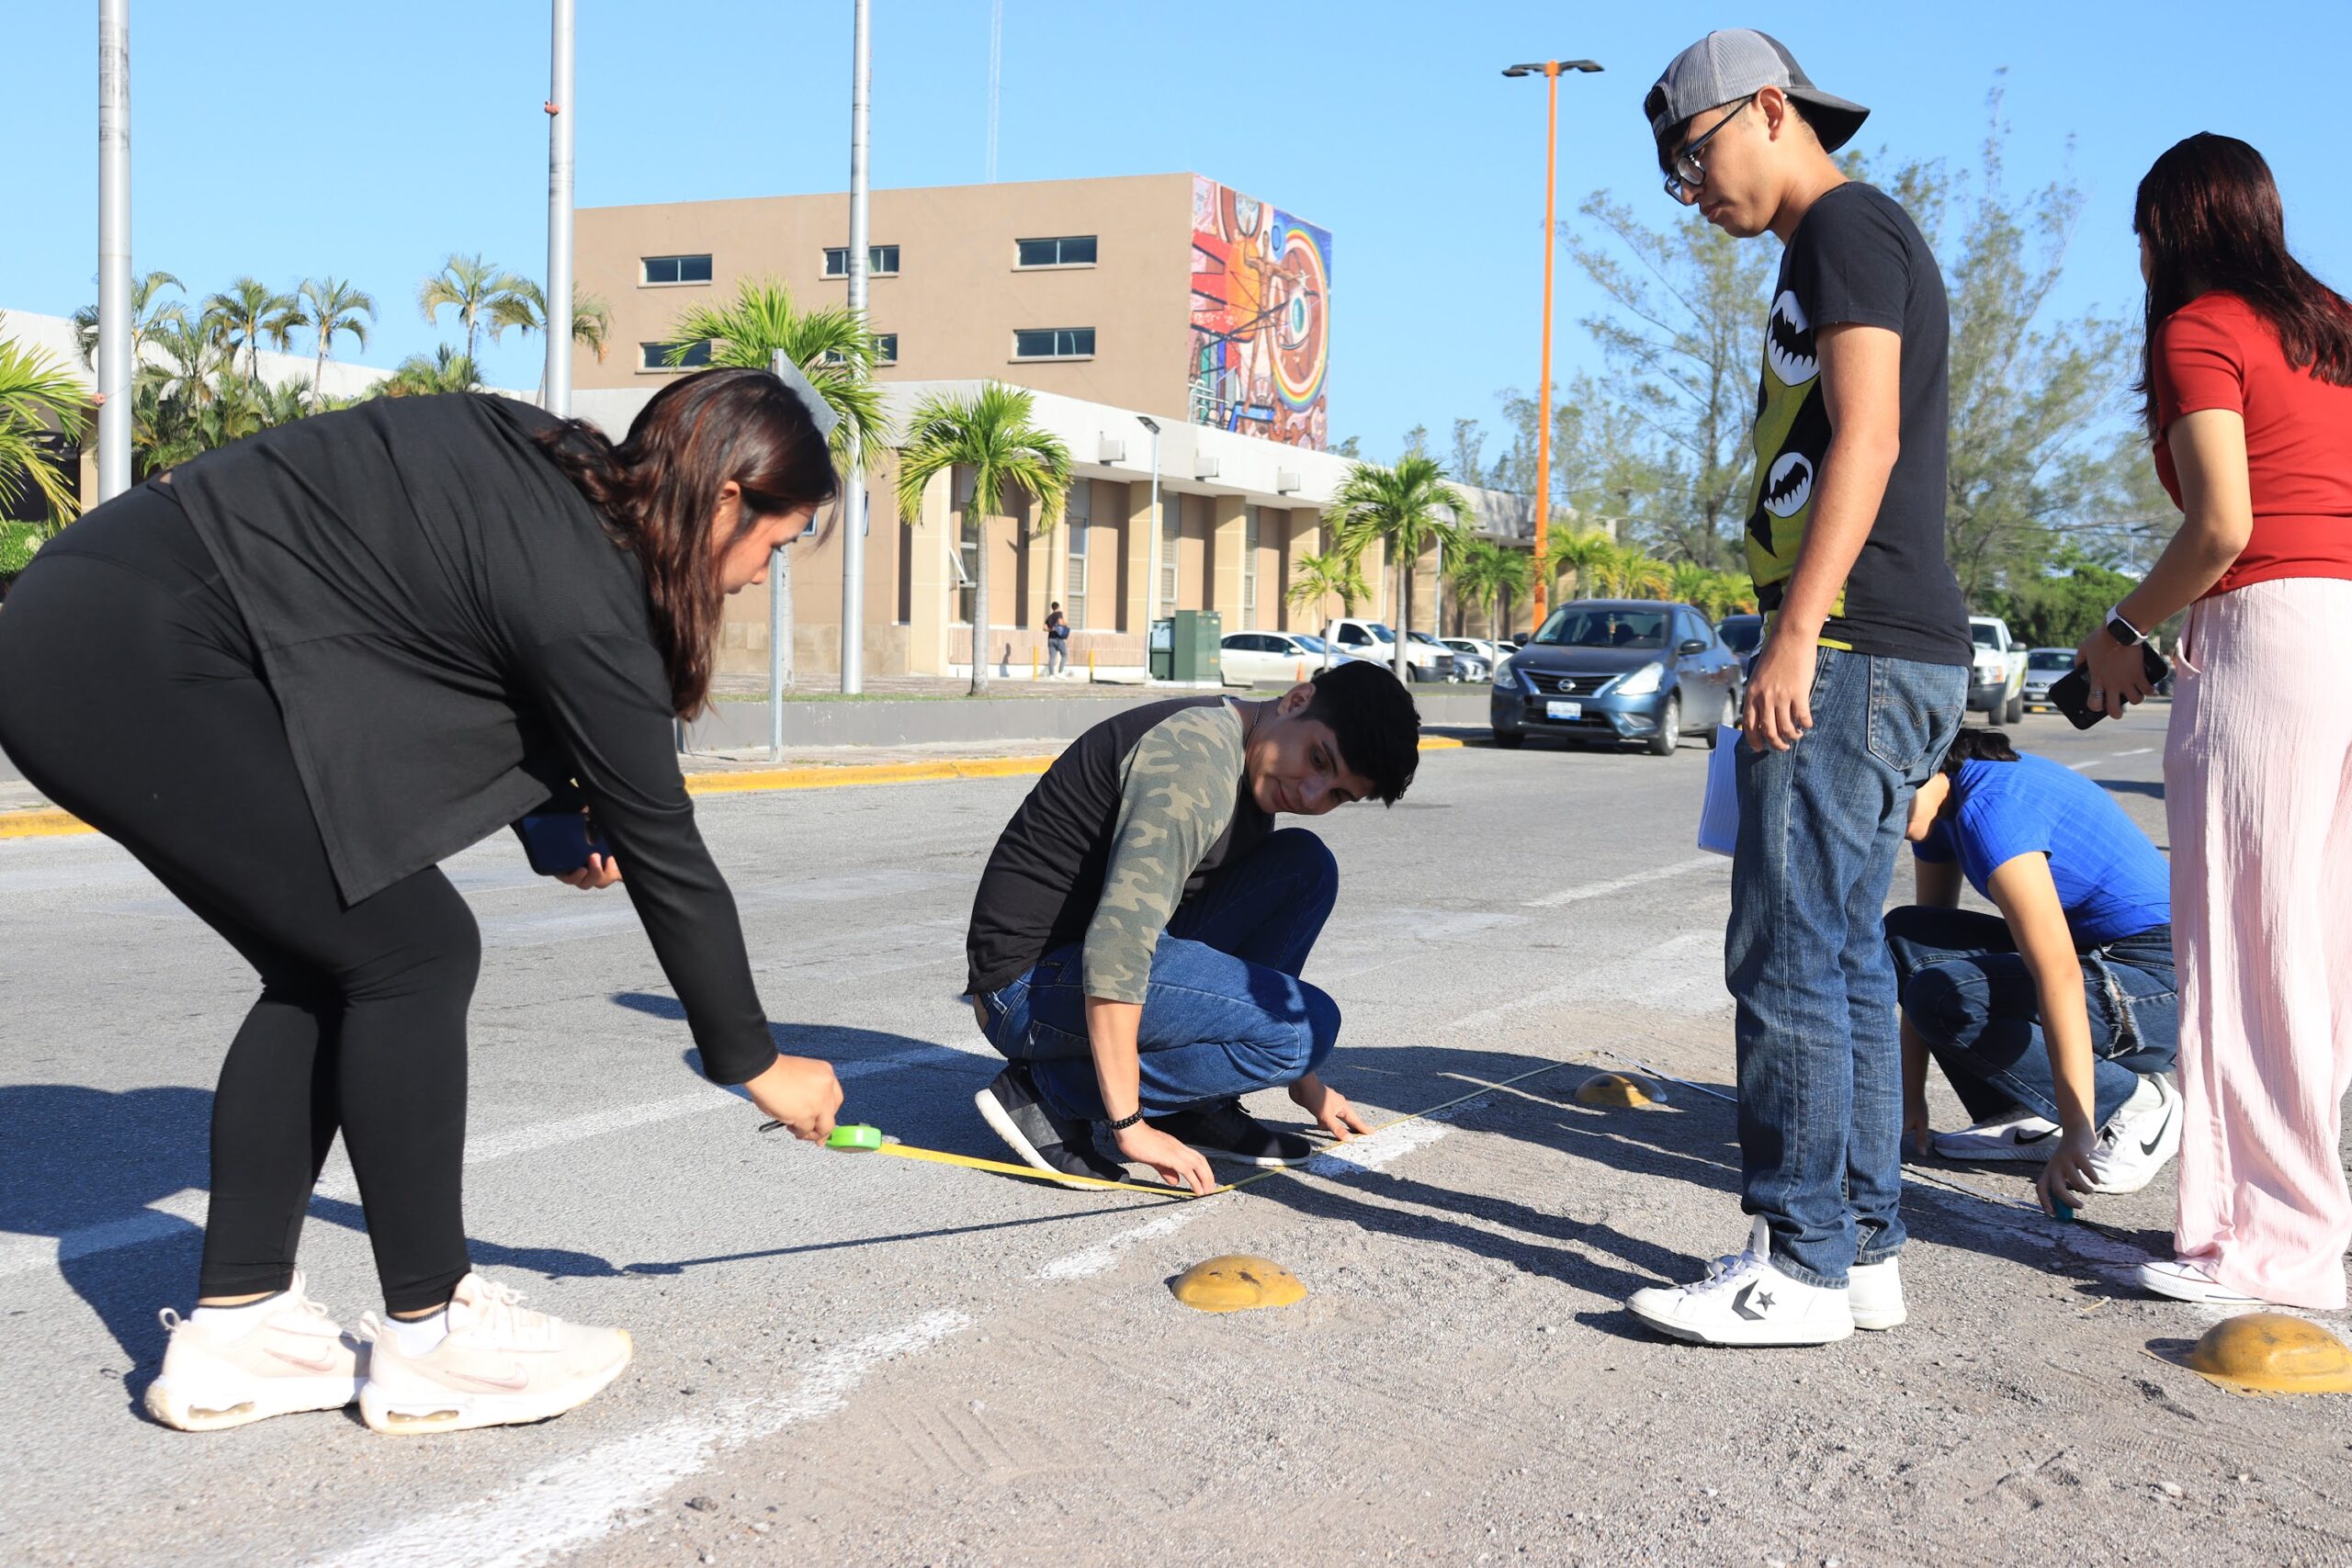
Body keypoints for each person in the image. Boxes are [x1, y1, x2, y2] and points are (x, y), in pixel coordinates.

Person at [0, 368, 848, 1433]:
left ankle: (240, 1327)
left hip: (87, 623)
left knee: (333, 959)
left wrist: (548, 826)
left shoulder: (548, 472)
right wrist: (752, 1058)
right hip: (138, 651)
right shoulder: (587, 591)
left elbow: (453, 633)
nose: (765, 574)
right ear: (729, 497)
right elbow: (663, 841)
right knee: (415, 951)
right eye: (780, 541)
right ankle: (431, 1331)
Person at [1623, 30, 1971, 1348]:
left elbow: (1867, 435)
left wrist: (1798, 633)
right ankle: (1864, 1248)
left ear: (1770, 110)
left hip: (1853, 646)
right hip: (1882, 643)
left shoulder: (1841, 229)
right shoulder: (1836, 243)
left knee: (1784, 954)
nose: (1690, 188)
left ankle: (1802, 1259)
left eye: (1693, 155)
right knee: (1836, 953)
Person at [2073, 134, 2352, 1311]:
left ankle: (2268, 1243)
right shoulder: (2330, 326)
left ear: (2168, 231)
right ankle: (2306, 1220)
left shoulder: (2200, 329)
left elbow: (2222, 524)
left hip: (2267, 635)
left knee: (2240, 947)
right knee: (2320, 948)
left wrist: (2122, 635)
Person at [964, 661, 1419, 1194]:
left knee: (1304, 866)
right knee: (1304, 1028)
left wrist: (1307, 1085)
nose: (1312, 794)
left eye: (1338, 794)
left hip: (1076, 965)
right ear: (1296, 700)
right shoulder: (1195, 758)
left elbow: (1240, 974)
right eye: (1318, 759)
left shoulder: (1252, 757)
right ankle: (1050, 1095)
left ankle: (1193, 1106)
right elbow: (1119, 944)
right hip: (1026, 990)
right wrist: (1130, 1126)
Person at [1885, 729, 2182, 1216]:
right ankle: (2028, 1113)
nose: (1878, 817)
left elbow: (2058, 973)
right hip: (2102, 958)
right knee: (1905, 932)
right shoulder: (1941, 808)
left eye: (1883, 796)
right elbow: (1916, 960)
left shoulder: (1992, 810)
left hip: (2165, 978)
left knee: (1951, 993)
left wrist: (2079, 1129)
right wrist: (1910, 1100)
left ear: (1925, 769)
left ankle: (2134, 1105)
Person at [1045, 601, 1070, 676]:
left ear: (1052, 608)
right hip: (1058, 638)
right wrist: (1066, 623)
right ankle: (1061, 672)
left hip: (1050, 639)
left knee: (1052, 657)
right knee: (1065, 654)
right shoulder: (1059, 614)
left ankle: (1051, 675)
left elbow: (1044, 628)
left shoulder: (1049, 617)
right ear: (1058, 607)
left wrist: (1051, 629)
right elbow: (1060, 622)